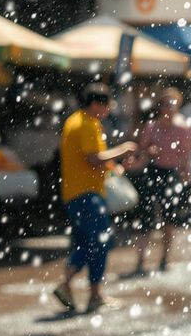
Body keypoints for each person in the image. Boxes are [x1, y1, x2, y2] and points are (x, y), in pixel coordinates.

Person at [51, 83, 136, 312]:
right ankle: (89, 292)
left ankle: (71, 286)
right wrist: (123, 150)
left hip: (76, 192)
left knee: (86, 243)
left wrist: (112, 166)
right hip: (86, 194)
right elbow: (92, 158)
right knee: (101, 242)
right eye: (107, 106)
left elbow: (91, 159)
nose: (108, 111)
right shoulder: (86, 124)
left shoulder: (77, 121)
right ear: (97, 104)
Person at [132, 89, 191, 274]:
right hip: (153, 172)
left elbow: (186, 156)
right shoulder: (151, 127)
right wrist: (147, 152)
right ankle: (141, 260)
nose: (169, 108)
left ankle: (164, 258)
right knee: (145, 218)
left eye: (172, 104)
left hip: (171, 174)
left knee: (169, 219)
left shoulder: (183, 129)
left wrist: (185, 175)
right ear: (160, 107)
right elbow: (142, 151)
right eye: (165, 104)